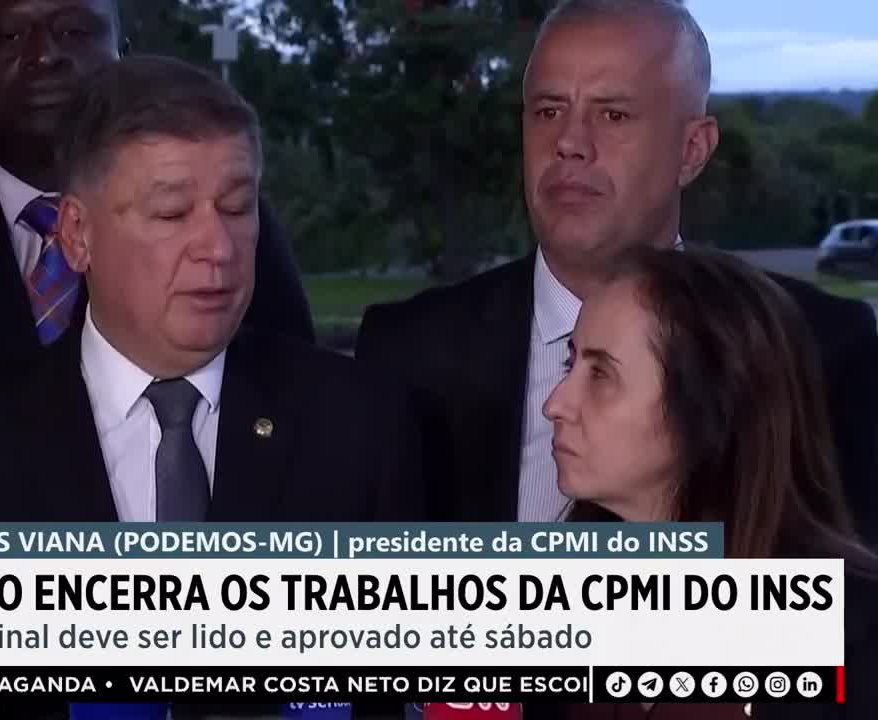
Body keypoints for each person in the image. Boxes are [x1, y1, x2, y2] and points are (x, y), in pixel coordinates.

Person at [0, 54, 422, 719]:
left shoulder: (360, 424)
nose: (218, 246)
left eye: (237, 208)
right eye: (173, 213)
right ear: (77, 234)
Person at [355, 0, 878, 542]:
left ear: (693, 149)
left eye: (613, 114)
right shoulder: (405, 352)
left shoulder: (820, 348)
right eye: (548, 111)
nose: (570, 144)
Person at [0, 0, 315, 400]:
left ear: (122, 55)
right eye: (8, 37)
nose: (45, 55)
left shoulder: (221, 229)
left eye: (73, 30)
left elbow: (295, 401)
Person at [545, 246, 876, 720]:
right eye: (569, 365)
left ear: (707, 406)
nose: (555, 404)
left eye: (600, 374)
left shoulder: (856, 642)